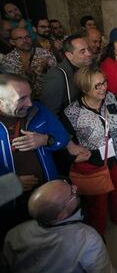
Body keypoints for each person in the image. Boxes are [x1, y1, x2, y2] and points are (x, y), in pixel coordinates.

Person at [63, 66, 117, 235]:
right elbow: (64, 141)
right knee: (98, 201)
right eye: (97, 86)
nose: (103, 88)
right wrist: (73, 156)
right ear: (84, 88)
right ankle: (98, 231)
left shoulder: (111, 97)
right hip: (94, 163)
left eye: (104, 83)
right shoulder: (72, 113)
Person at [0, 73, 69, 241]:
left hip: (49, 196)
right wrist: (10, 184)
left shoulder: (40, 110)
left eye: (29, 95)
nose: (30, 103)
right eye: (22, 99)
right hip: (12, 206)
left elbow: (62, 137)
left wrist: (45, 139)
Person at [1, 180, 114, 273]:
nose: (75, 187)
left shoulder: (14, 234)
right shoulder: (88, 240)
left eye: (66, 182)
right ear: (61, 215)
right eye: (72, 193)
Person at [0, 28, 57, 99]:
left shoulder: (45, 54)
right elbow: (10, 87)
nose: (25, 40)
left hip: (49, 97)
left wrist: (46, 69)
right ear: (12, 42)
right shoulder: (8, 60)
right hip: (24, 101)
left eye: (27, 37)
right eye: (20, 38)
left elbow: (57, 77)